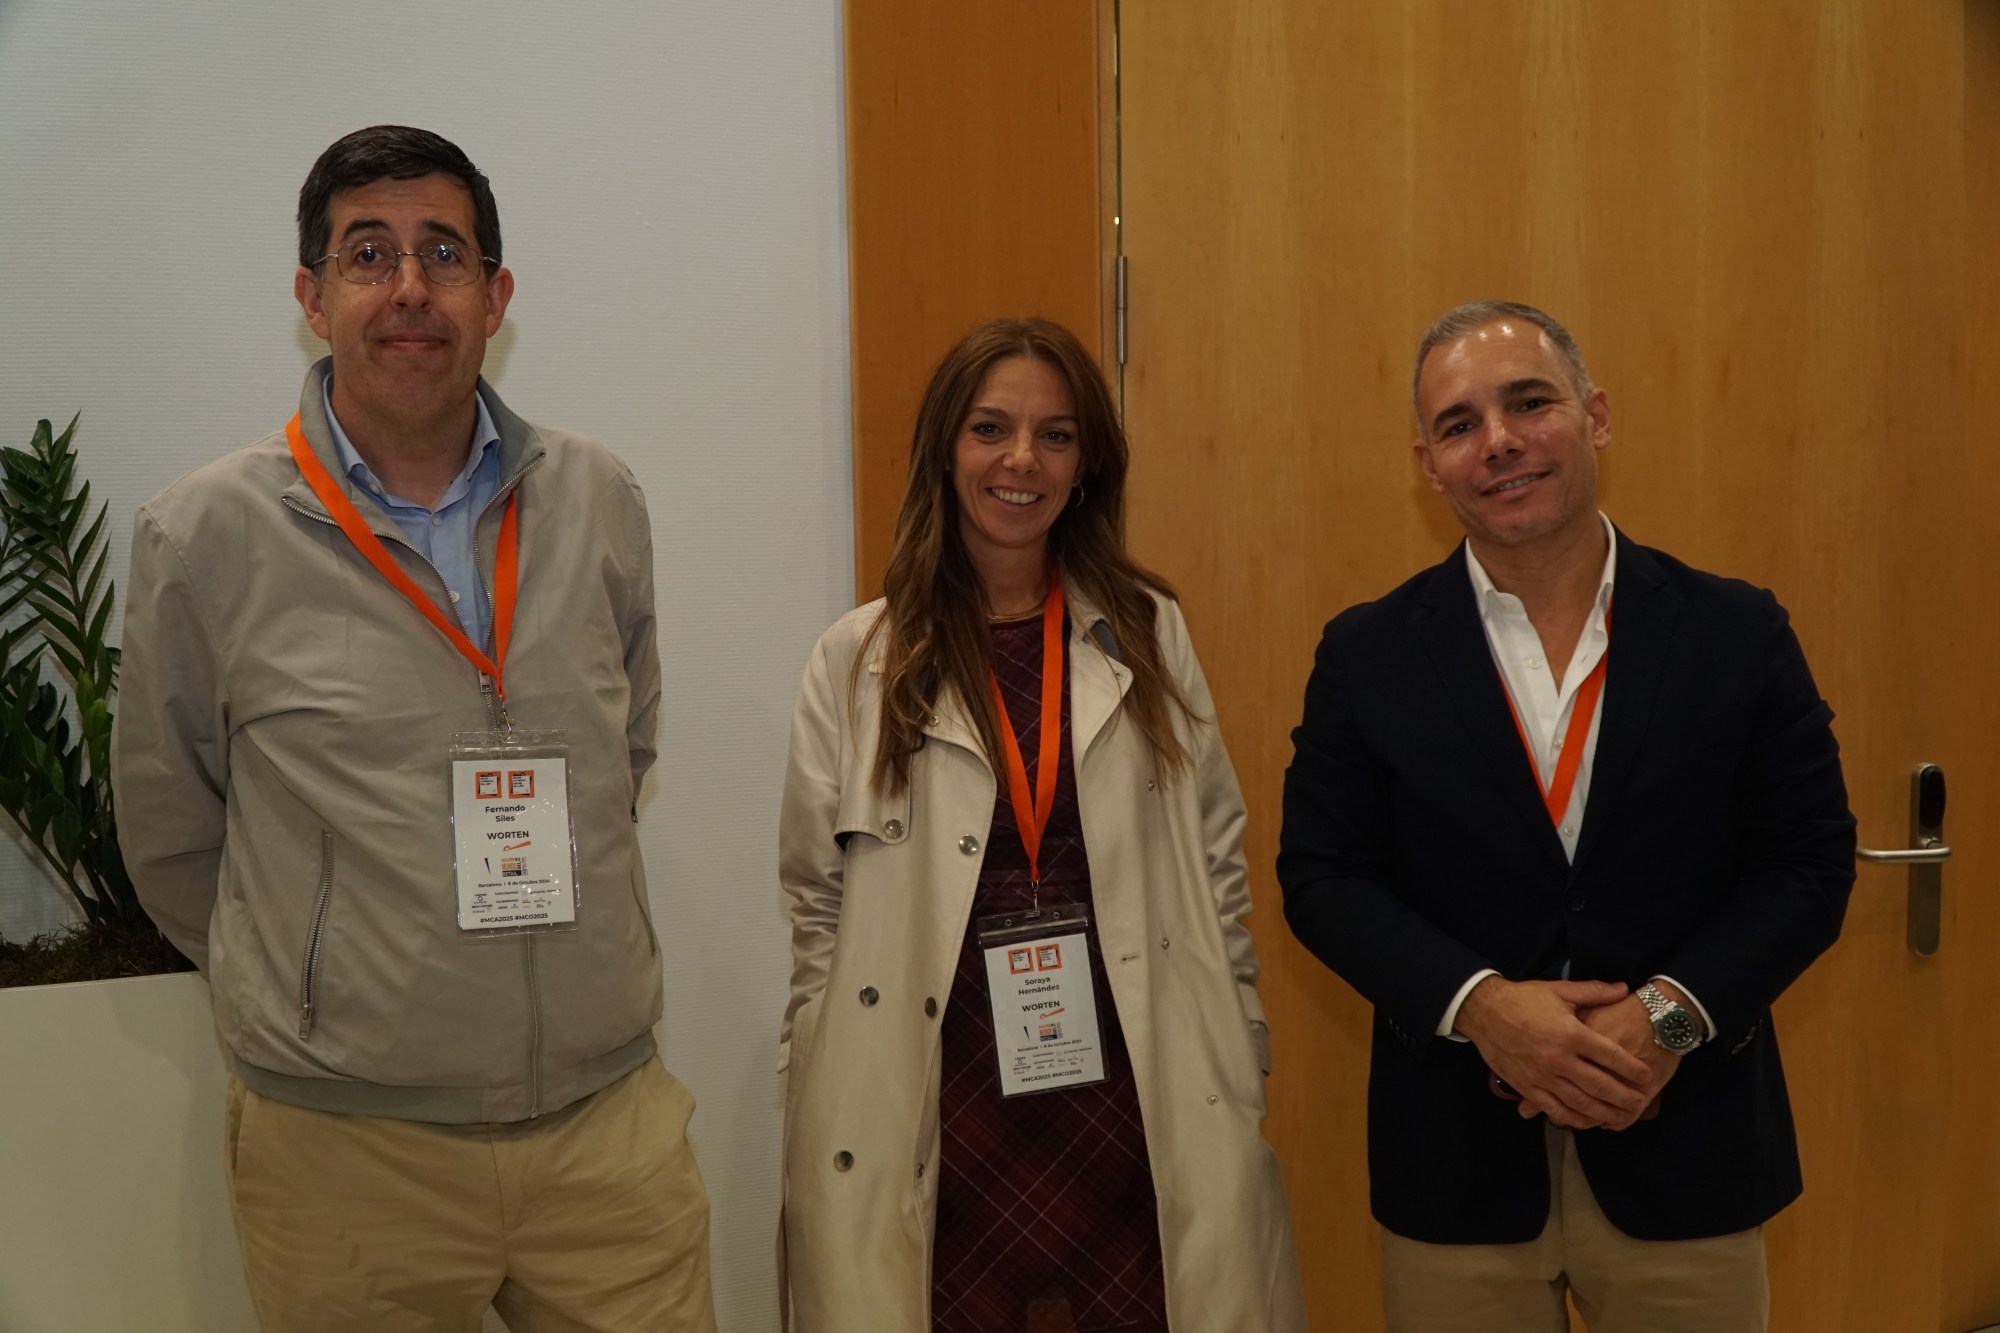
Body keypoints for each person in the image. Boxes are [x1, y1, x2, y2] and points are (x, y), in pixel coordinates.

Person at [110, 125, 715, 1331]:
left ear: (495, 295)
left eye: (443, 253)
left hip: (606, 1137)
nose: (408, 288)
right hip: (347, 1155)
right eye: (367, 254)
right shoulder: (206, 534)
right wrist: (315, 989)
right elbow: (172, 829)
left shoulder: (596, 497)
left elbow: (622, 748)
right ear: (312, 297)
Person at [1277, 299, 1856, 1332]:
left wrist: (1667, 1018)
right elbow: (1322, 877)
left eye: (1528, 403)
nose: (1497, 441)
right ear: (1427, 463)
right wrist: (1483, 1009)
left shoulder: (1735, 631)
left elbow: (1808, 863)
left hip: (1685, 1145)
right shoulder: (1366, 652)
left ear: (1596, 415)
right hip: (1455, 1164)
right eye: (1459, 424)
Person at [777, 317, 1305, 1333]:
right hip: (941, 1093)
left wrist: (1237, 1051)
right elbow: (816, 903)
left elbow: (1215, 860)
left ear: (1085, 464)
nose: (1021, 459)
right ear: (944, 448)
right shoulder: (855, 660)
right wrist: (828, 1080)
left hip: (1129, 1091)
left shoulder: (1147, 633)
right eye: (990, 428)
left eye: (1055, 435)